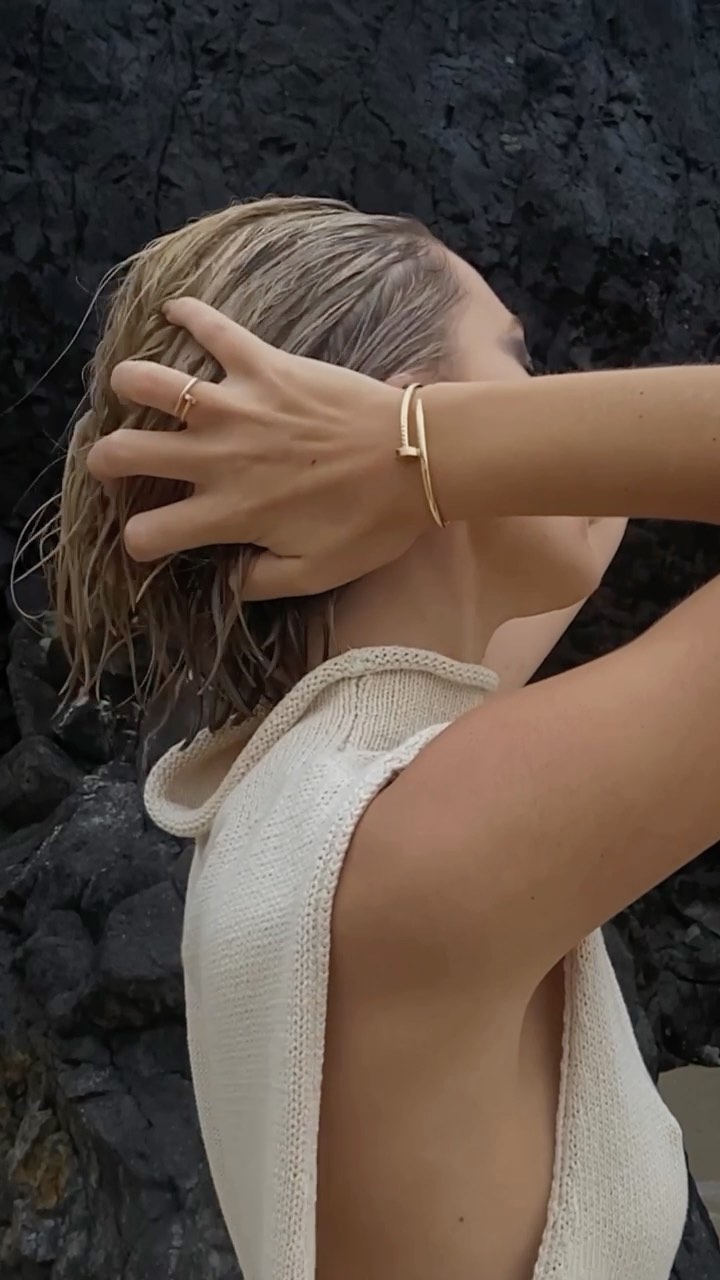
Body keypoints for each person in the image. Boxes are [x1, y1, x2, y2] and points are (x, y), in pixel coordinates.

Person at [51, 192, 720, 1280]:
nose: (548, 402)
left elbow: (585, 535)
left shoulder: (300, 788)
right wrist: (415, 445)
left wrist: (427, 450)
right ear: (391, 409)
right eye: (519, 360)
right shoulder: (417, 843)